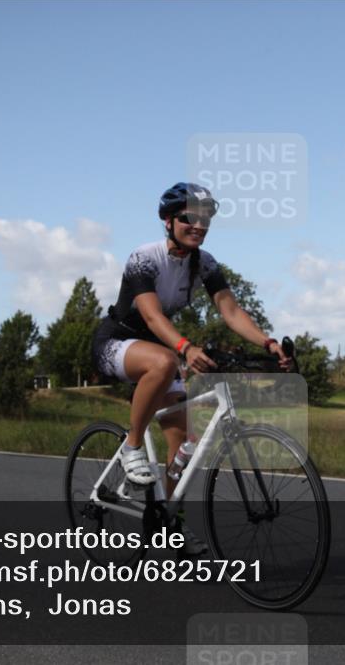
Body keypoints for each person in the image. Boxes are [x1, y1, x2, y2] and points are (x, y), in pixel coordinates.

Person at [91, 182, 291, 554]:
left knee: (182, 443)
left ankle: (170, 525)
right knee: (166, 361)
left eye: (205, 220)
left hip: (157, 349)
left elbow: (230, 311)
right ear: (168, 220)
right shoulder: (144, 258)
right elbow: (150, 315)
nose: (198, 225)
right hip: (116, 344)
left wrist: (267, 342)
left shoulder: (205, 263)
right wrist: (184, 347)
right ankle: (132, 446)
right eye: (189, 218)